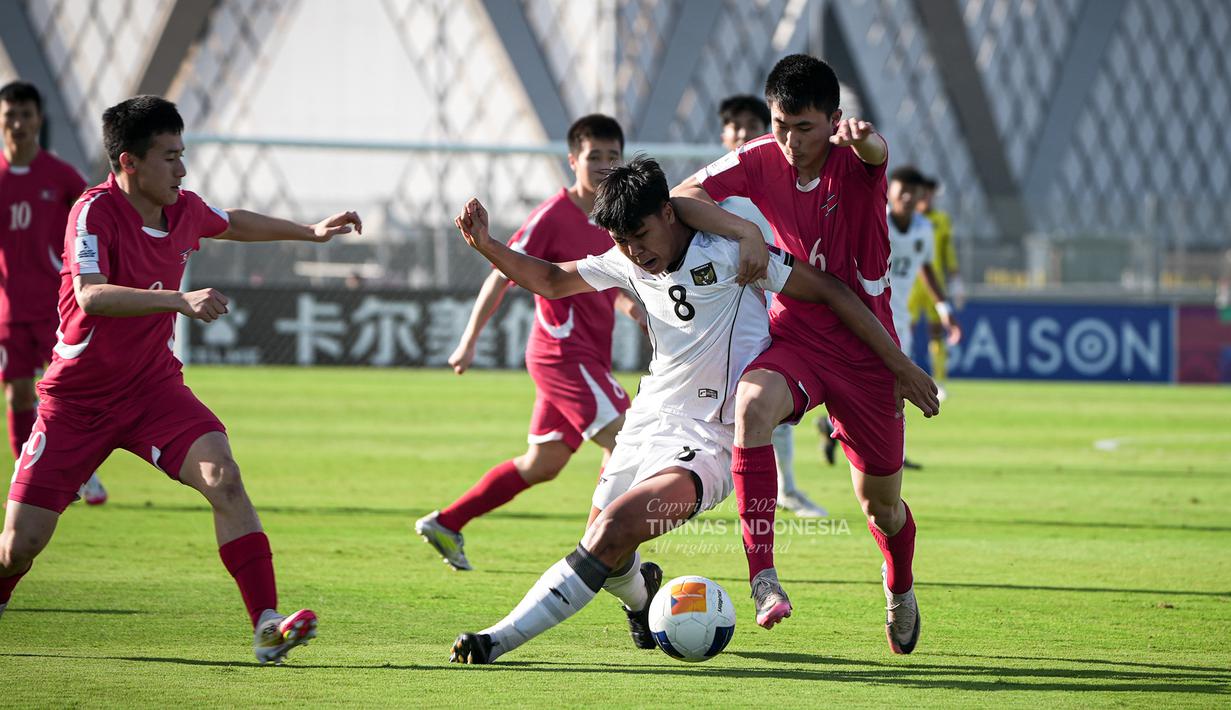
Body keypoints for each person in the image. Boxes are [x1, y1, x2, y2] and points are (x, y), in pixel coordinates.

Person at [446, 157, 937, 664]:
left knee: (611, 532)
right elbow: (552, 280)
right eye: (622, 241)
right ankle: (642, 598)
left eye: (641, 235)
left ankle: (494, 641)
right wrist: (487, 246)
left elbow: (830, 289)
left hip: (712, 439)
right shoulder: (627, 261)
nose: (635, 252)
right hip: (646, 423)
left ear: (668, 213)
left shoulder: (731, 255)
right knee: (606, 554)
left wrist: (899, 364)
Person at [0, 95, 362, 664]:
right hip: (76, 403)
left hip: (153, 392)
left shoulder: (184, 208)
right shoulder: (93, 211)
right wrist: (178, 300)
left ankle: (267, 626)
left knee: (225, 478)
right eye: (170, 157)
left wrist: (309, 231)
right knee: (19, 547)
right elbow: (91, 295)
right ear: (129, 162)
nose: (183, 169)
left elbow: (232, 221)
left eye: (182, 154)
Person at [671, 53, 934, 653]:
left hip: (869, 346)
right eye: (780, 124)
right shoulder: (761, 155)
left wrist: (865, 140)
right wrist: (745, 232)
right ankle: (762, 575)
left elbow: (877, 154)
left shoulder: (853, 160)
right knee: (752, 406)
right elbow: (682, 196)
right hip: (798, 333)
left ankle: (899, 583)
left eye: (805, 127)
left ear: (834, 120)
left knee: (881, 508)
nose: (790, 141)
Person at [416, 115, 644, 571]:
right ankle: (600, 554)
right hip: (564, 355)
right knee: (629, 441)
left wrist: (632, 308)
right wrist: (469, 340)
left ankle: (446, 523)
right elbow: (501, 274)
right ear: (573, 160)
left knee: (543, 463)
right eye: (594, 156)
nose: (604, 164)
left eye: (612, 156)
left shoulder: (613, 215)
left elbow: (605, 282)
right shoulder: (553, 216)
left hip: (584, 357)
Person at [717, 94, 825, 518]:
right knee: (722, 407)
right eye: (736, 126)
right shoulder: (710, 197)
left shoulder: (777, 184)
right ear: (724, 134)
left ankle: (786, 489)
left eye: (752, 126)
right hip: (722, 319)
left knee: (768, 407)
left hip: (775, 313)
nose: (743, 133)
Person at [0, 81, 108, 505]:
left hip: (56, 308)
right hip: (8, 310)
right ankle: (26, 471)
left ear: (38, 120)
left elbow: (91, 220)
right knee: (18, 393)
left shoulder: (60, 177)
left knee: (71, 390)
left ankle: (85, 471)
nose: (18, 123)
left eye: (25, 114)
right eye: (10, 115)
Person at [885, 166, 961, 469]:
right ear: (890, 191)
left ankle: (895, 455)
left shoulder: (924, 228)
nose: (906, 196)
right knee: (868, 386)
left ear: (920, 195)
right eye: (901, 190)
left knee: (896, 390)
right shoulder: (877, 220)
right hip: (867, 318)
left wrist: (944, 309)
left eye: (912, 191)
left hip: (900, 321)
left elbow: (926, 267)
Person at [906, 173, 962, 401]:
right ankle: (903, 376)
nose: (927, 198)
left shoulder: (941, 220)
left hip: (933, 283)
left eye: (930, 195)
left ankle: (939, 381)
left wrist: (956, 280)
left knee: (936, 332)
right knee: (904, 330)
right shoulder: (907, 218)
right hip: (909, 284)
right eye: (924, 194)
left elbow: (948, 251)